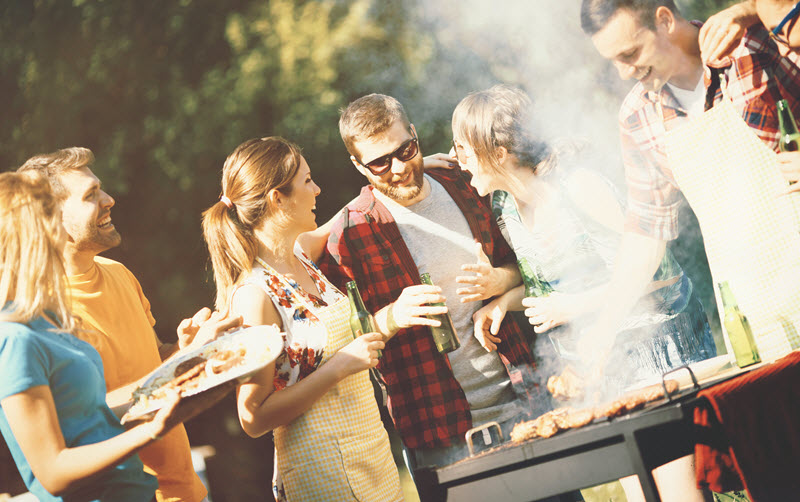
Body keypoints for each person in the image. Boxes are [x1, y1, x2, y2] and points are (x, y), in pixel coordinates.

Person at [320, 94, 546, 482]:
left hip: (522, 400)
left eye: (405, 150)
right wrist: (391, 318)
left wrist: (502, 279)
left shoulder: (465, 183)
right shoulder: (349, 236)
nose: (399, 168)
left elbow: (532, 265)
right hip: (439, 431)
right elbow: (336, 345)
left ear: (414, 133)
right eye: (379, 162)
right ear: (358, 166)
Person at [450, 84, 716, 394]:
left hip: (664, 351)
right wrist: (502, 304)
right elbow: (550, 293)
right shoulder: (505, 207)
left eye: (462, 148)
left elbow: (656, 274)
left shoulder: (578, 187)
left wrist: (573, 307)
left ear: (499, 154)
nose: (458, 159)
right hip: (604, 367)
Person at [17, 148, 239, 502]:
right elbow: (88, 414)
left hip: (186, 491)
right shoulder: (40, 317)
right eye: (91, 195)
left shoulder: (118, 273)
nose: (109, 199)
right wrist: (182, 364)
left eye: (100, 188)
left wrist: (188, 348)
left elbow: (154, 360)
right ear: (51, 219)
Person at [202, 136, 409, 502]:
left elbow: (351, 212)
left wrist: (402, 174)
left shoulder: (302, 258)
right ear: (277, 198)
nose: (317, 189)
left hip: (372, 455)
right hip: (323, 474)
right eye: (307, 180)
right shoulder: (254, 295)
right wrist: (339, 367)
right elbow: (252, 417)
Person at [0, 171, 185, 502]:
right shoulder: (14, 338)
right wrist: (148, 431)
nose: (60, 228)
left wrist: (185, 375)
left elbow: (94, 416)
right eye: (49, 217)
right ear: (28, 235)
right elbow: (53, 473)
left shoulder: (46, 321)